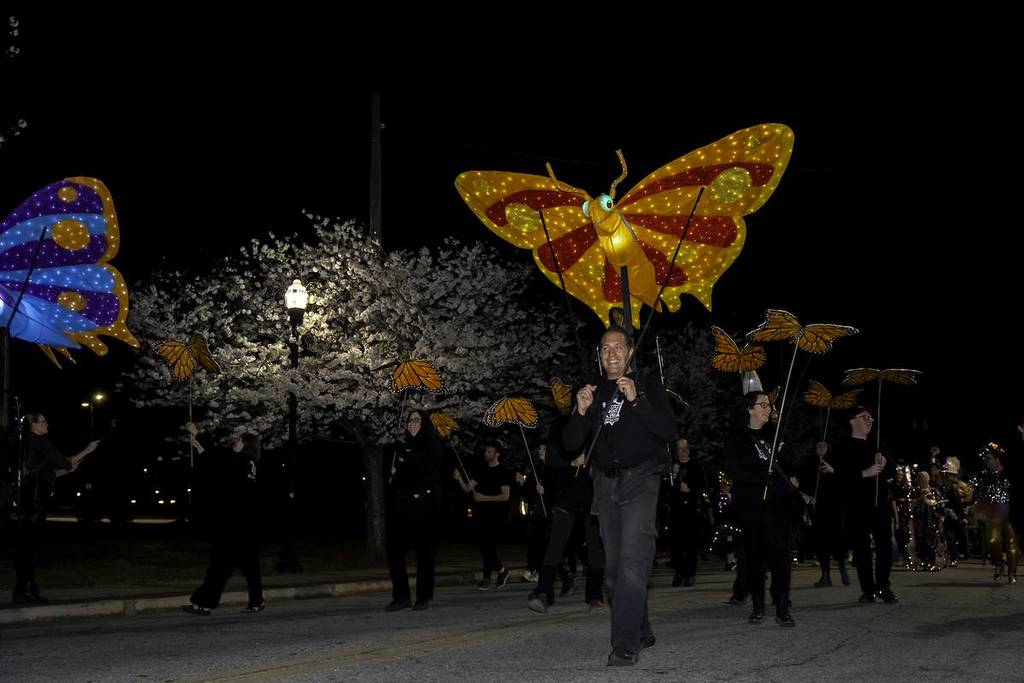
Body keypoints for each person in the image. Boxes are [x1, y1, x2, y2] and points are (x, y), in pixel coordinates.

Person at [564, 326, 674, 666]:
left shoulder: (647, 383)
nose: (611, 353)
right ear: (600, 354)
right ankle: (640, 629)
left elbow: (668, 430)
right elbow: (570, 444)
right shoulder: (592, 391)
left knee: (631, 563)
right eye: (605, 348)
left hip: (641, 480)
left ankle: (625, 644)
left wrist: (636, 400)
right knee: (614, 571)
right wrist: (580, 412)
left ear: (629, 351)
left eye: (617, 347)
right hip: (605, 486)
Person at [722, 391, 797, 627]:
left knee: (781, 555)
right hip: (752, 505)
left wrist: (793, 476)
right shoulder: (737, 438)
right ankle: (757, 605)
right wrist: (759, 477)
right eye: (762, 404)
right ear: (750, 409)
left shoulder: (776, 435)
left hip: (777, 504)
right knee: (754, 557)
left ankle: (782, 605)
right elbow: (734, 470)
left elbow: (791, 462)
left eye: (769, 404)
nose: (768, 408)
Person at [12, 413, 98, 604]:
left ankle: (26, 590)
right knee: (31, 548)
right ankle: (24, 592)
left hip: (26, 502)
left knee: (26, 548)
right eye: (43, 421)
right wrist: (87, 451)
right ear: (32, 425)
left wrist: (67, 468)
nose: (47, 423)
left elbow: (49, 472)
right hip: (34, 502)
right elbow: (63, 462)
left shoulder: (26, 445)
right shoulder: (40, 442)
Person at [182, 423, 265, 615]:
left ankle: (203, 603)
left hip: (233, 524)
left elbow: (222, 460)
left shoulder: (241, 460)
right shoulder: (250, 463)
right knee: (250, 567)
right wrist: (202, 450)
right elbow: (220, 467)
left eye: (238, 440)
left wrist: (199, 435)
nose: (234, 442)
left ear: (245, 445)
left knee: (219, 566)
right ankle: (256, 601)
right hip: (245, 524)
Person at [835, 406, 897, 603]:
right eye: (865, 417)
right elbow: (839, 479)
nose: (870, 420)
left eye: (871, 417)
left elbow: (892, 473)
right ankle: (868, 590)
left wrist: (886, 464)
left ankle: (883, 586)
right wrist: (864, 473)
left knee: (884, 546)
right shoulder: (843, 446)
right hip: (856, 505)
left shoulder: (878, 444)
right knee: (861, 549)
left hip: (879, 503)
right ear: (853, 421)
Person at [385, 409, 442, 611]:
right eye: (410, 420)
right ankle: (401, 596)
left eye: (417, 420)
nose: (412, 423)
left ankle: (423, 596)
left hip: (423, 506)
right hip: (402, 506)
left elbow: (426, 471)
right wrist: (394, 472)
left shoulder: (431, 446)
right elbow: (396, 477)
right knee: (394, 550)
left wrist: (403, 466)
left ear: (424, 424)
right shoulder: (401, 447)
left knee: (424, 553)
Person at [453, 441, 512, 590]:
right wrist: (460, 479)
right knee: (484, 546)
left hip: (497, 515)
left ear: (497, 453)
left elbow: (505, 496)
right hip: (482, 514)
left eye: (490, 452)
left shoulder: (503, 471)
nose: (486, 454)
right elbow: (467, 489)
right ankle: (499, 572)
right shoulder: (481, 470)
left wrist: (484, 498)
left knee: (487, 546)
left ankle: (492, 575)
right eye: (486, 452)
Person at [805, 440, 850, 587]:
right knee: (821, 541)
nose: (821, 448)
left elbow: (845, 481)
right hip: (818, 508)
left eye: (823, 445)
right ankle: (826, 575)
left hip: (834, 507)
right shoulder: (811, 464)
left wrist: (833, 471)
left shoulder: (835, 462)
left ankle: (843, 567)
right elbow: (806, 484)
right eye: (818, 445)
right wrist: (809, 496)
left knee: (837, 538)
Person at [668, 437, 704, 587]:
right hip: (676, 510)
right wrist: (674, 476)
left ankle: (690, 574)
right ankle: (679, 573)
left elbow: (702, 485)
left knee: (690, 544)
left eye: (685, 448)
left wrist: (691, 489)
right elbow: (666, 489)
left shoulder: (695, 465)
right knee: (676, 544)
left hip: (691, 510)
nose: (683, 451)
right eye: (680, 449)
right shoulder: (672, 467)